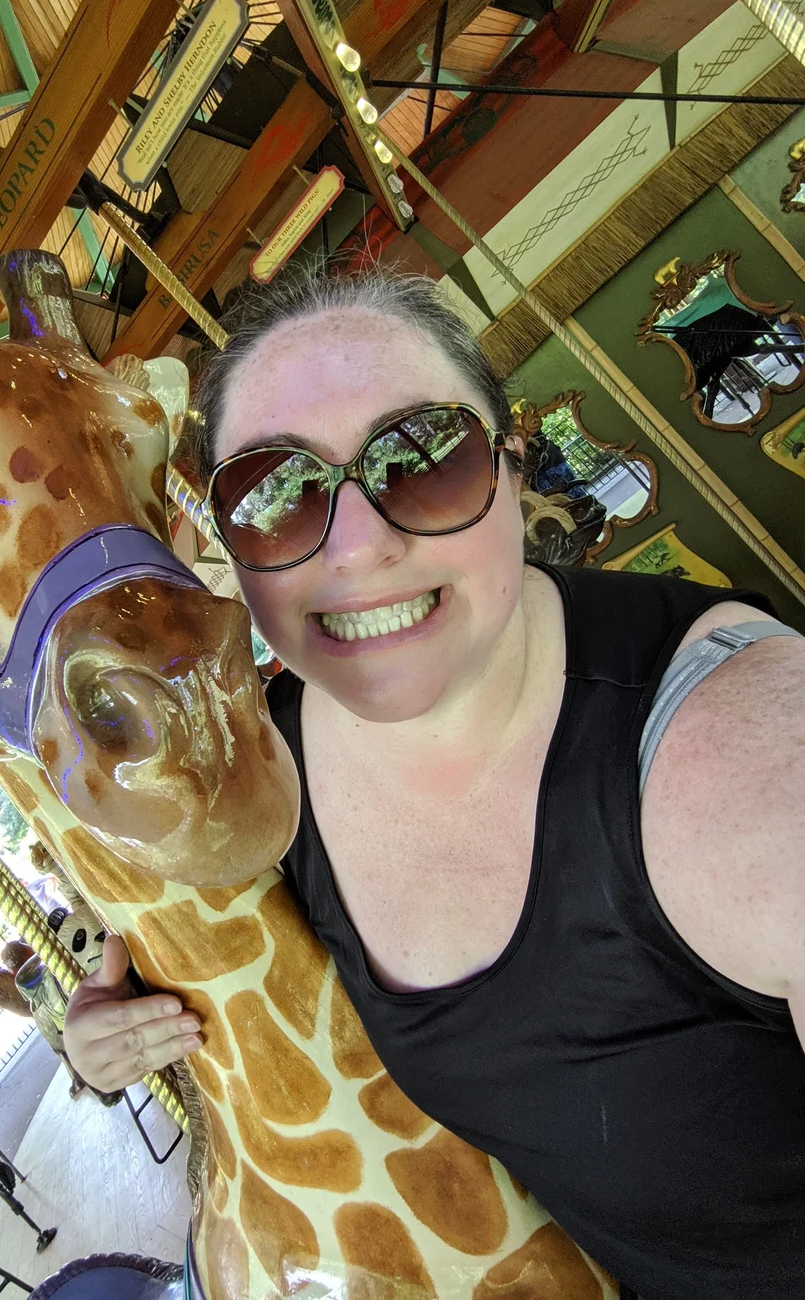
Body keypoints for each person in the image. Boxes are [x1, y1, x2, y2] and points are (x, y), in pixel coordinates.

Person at [64, 268, 805, 1299]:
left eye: (424, 460)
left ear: (511, 464)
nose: (360, 547)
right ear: (231, 551)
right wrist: (101, 1037)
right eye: (275, 495)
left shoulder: (745, 753)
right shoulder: (262, 774)